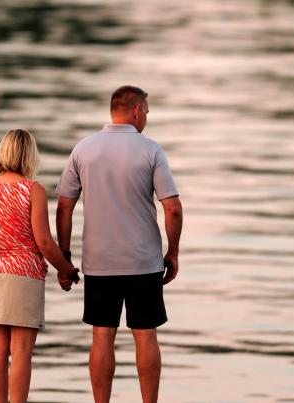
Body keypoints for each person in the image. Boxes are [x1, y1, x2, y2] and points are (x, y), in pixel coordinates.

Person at [55, 85, 183, 403]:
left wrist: (65, 258)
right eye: (147, 113)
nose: (147, 118)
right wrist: (173, 252)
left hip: (99, 262)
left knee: (101, 335)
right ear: (137, 111)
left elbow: (64, 206)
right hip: (144, 261)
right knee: (146, 335)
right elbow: (173, 208)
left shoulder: (83, 149)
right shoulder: (151, 150)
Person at [0, 129, 79, 403]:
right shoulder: (33, 190)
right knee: (21, 350)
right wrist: (65, 270)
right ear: (29, 155)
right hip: (24, 273)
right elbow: (44, 242)